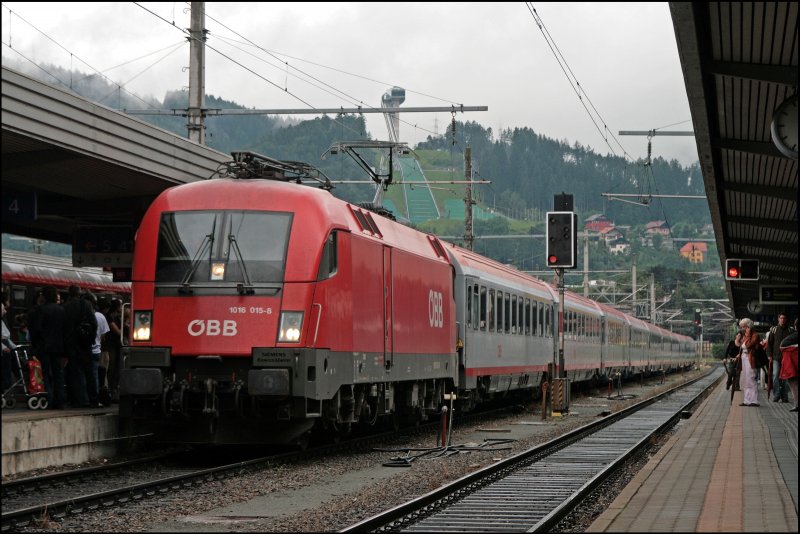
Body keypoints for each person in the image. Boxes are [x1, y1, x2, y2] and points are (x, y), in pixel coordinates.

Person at [32, 286, 66, 409]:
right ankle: (60, 401)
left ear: (44, 296)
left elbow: (37, 329)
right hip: (58, 347)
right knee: (58, 374)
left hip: (44, 347)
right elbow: (65, 330)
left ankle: (49, 400)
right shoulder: (61, 310)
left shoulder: (41, 310)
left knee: (45, 374)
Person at [85, 293, 110, 407]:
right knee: (95, 375)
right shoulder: (100, 316)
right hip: (97, 349)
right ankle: (95, 399)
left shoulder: (83, 315)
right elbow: (104, 335)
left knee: (84, 375)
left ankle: (85, 398)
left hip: (84, 350)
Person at [735, 317, 761, 407]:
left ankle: (754, 400)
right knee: (745, 379)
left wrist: (748, 334)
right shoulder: (745, 335)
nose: (742, 329)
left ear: (749, 327)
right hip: (744, 358)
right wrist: (738, 340)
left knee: (751, 378)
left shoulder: (755, 335)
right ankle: (746, 400)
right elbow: (741, 346)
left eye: (744, 327)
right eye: (742, 327)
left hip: (751, 358)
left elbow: (748, 344)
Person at [767, 312, 792, 403]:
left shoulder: (790, 330)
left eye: (784, 318)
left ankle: (784, 396)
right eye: (781, 318)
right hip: (776, 357)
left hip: (787, 357)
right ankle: (776, 395)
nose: (782, 320)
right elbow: (769, 344)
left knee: (785, 377)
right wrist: (769, 355)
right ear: (778, 319)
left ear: (786, 319)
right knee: (775, 375)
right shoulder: (774, 330)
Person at [779, 318, 798, 412]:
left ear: (795, 326)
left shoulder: (794, 336)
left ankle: (796, 404)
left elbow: (782, 345)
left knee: (793, 384)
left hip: (793, 364)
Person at [2, 302, 18, 392]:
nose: (5, 311)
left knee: (8, 368)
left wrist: (15, 347)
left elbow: (7, 337)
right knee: (5, 369)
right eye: (3, 309)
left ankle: (6, 386)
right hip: (4, 347)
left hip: (6, 345)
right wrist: (3, 347)